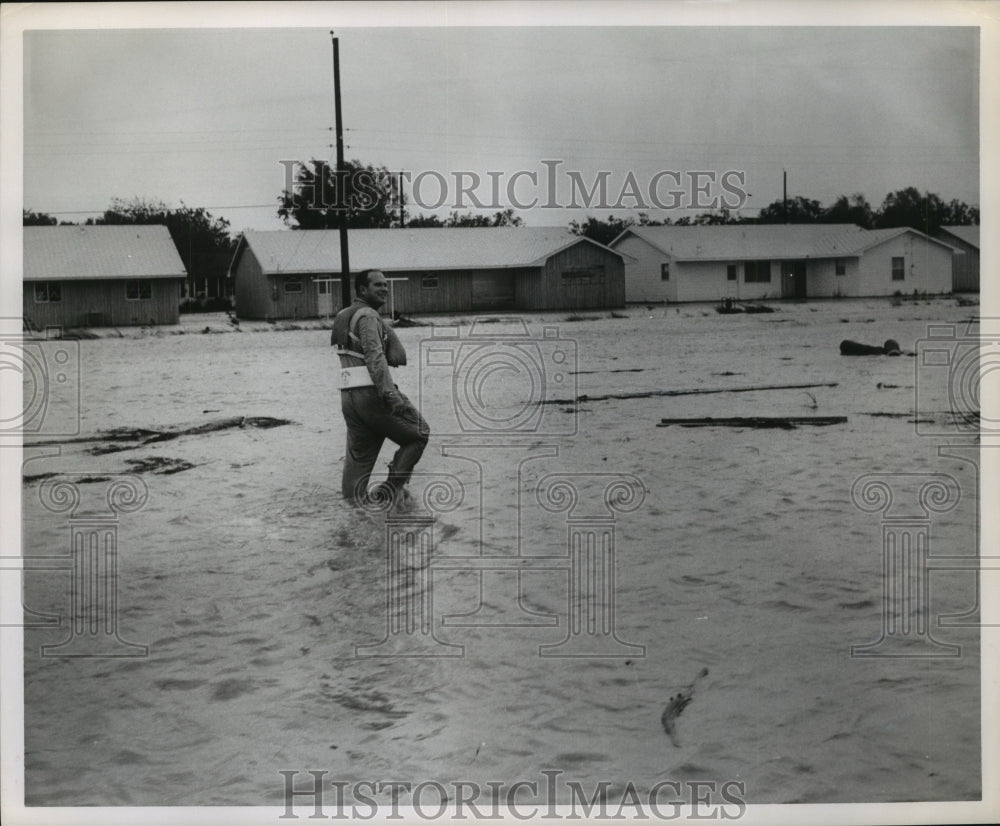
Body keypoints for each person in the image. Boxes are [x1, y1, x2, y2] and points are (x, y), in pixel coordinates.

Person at [332, 269, 429, 507]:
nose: (385, 289)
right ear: (363, 290)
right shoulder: (368, 316)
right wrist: (391, 395)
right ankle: (391, 495)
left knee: (356, 474)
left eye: (386, 285)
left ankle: (355, 522)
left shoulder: (344, 315)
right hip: (372, 393)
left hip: (349, 397)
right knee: (419, 434)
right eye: (378, 285)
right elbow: (376, 358)